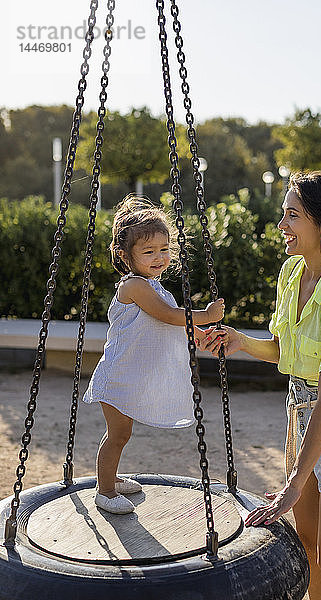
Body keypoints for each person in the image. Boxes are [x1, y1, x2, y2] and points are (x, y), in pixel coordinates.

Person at [200, 172, 321, 600]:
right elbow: (286, 350)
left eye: (292, 215)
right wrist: (240, 341)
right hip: (302, 412)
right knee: (309, 551)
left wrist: (294, 482)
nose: (281, 225)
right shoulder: (291, 273)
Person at [82, 196, 224, 515]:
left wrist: (201, 336)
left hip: (132, 377)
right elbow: (168, 316)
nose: (159, 257)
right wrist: (206, 315)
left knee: (122, 434)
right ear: (124, 255)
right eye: (149, 252)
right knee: (118, 435)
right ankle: (104, 491)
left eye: (164, 249)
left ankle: (112, 479)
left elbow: (173, 322)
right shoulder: (134, 286)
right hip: (117, 377)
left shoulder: (155, 285)